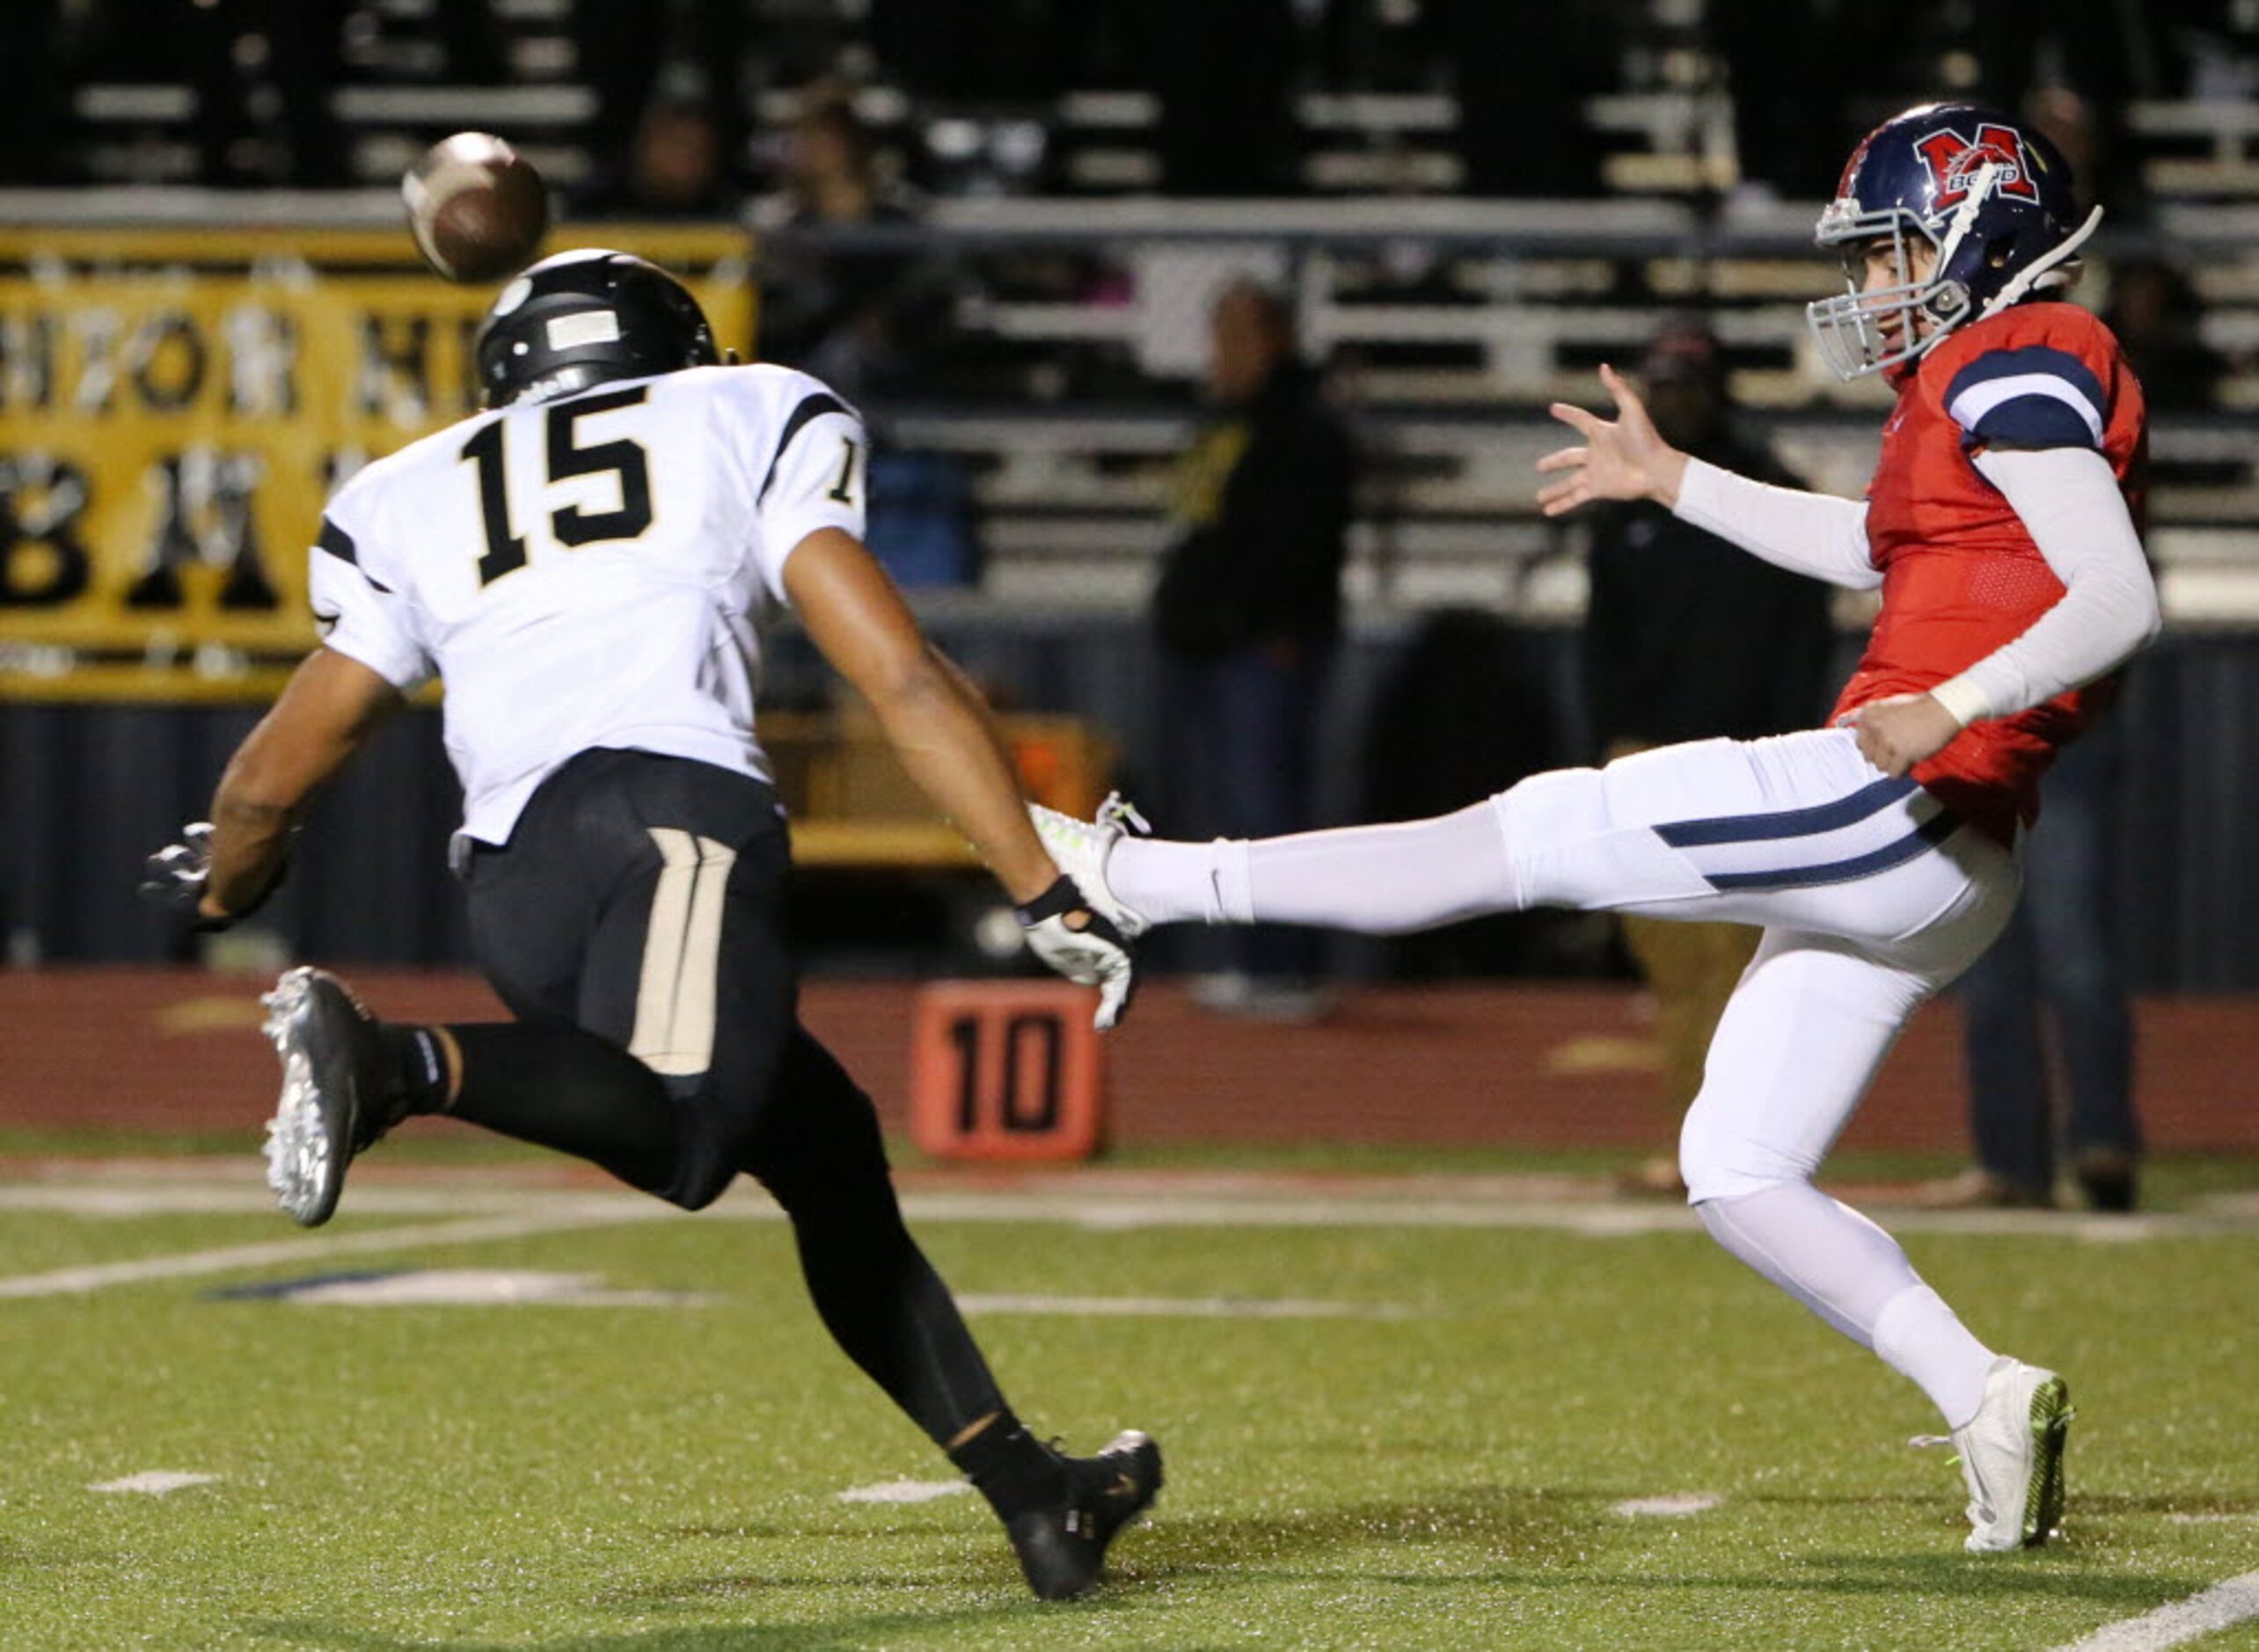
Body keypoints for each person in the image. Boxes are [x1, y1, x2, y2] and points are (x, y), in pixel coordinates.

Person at [1032, 103, 2156, 1553]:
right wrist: (1672, 481)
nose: (1872, 285)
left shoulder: (2023, 348)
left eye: (1889, 252)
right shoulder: (1973, 376)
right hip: (1949, 856)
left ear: (1973, 232)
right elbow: (1873, 543)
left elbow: (2116, 591)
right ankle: (1981, 1392)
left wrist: (1949, 700)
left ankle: (1140, 879)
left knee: (1532, 829)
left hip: (1902, 794)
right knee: (1736, 1167)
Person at [137, 251, 1156, 1602]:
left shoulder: (407, 489)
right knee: (687, 1134)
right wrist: (1036, 875)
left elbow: (281, 762)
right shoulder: (739, 412)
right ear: (671, 347)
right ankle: (396, 1066)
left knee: (829, 1154)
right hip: (672, 809)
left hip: (514, 874)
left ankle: (1038, 1497)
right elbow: (897, 667)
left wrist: (228, 882)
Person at [1582, 318, 1836, 1197]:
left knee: (1731, 968)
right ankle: (1698, 1142)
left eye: (1687, 382)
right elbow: (1603, 638)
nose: (1674, 398)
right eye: (1663, 383)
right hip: (1651, 756)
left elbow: (1800, 642)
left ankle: (1741, 1149)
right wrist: (1611, 743)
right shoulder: (1628, 506)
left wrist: (1791, 754)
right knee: (1673, 965)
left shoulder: (1766, 493)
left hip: (1742, 763)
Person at [1150, 278, 1355, 1018]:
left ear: (1273, 340)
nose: (1220, 353)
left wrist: (1257, 624)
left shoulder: (1303, 427)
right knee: (1226, 810)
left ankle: (1283, 965)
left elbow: (1298, 546)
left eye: (1235, 335)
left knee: (1267, 810)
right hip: (1211, 644)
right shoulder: (1223, 420)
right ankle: (1243, 957)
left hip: (1262, 648)